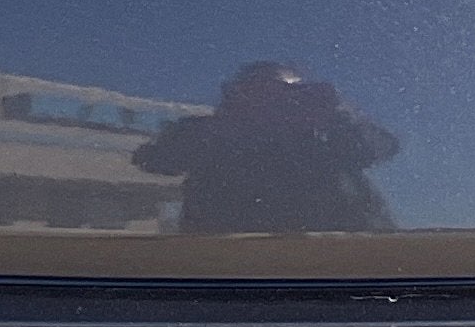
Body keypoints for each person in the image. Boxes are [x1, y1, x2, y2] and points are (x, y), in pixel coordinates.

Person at [135, 62, 400, 234]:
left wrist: (337, 114)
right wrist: (225, 122)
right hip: (221, 269)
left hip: (349, 263)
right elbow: (152, 160)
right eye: (259, 92)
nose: (272, 103)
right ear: (236, 96)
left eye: (286, 94)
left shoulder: (323, 136)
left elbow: (380, 148)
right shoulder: (212, 134)